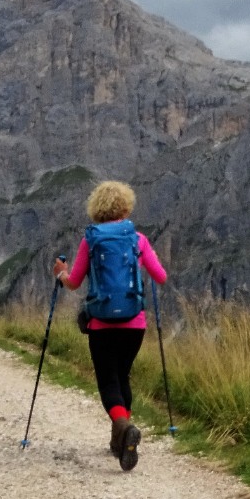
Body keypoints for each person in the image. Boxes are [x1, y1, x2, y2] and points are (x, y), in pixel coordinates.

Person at [53, 181, 167, 471]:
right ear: (126, 206)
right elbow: (161, 276)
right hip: (134, 324)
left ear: (97, 209)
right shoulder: (137, 239)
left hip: (102, 324)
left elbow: (75, 282)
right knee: (122, 375)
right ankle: (121, 439)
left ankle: (122, 426)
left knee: (108, 380)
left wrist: (61, 274)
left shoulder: (90, 240)